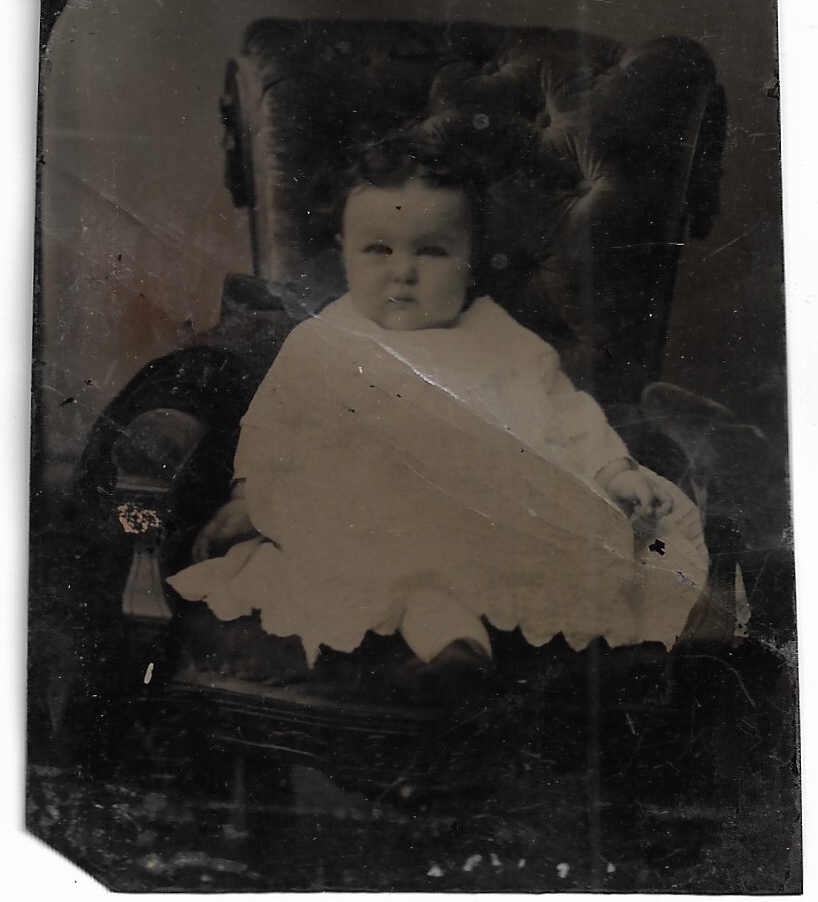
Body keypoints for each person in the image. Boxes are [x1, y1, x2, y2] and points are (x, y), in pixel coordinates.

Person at [167, 131, 709, 678]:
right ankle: (455, 650)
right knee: (393, 569)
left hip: (486, 514)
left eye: (431, 250)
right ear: (346, 251)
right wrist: (248, 499)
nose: (403, 270)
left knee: (495, 558)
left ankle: (467, 641)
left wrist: (614, 471)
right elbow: (274, 428)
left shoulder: (502, 340)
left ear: (469, 259)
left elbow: (567, 416)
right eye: (379, 248)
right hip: (364, 516)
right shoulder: (324, 338)